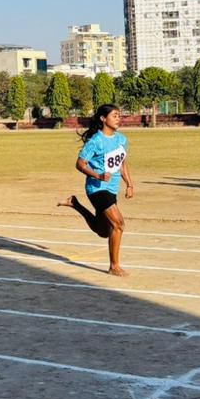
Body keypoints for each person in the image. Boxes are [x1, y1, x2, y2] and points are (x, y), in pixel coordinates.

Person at [59, 103, 134, 276]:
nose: (118, 118)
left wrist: (129, 184)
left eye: (119, 115)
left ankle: (75, 204)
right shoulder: (96, 141)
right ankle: (114, 266)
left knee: (103, 231)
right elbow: (80, 164)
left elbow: (123, 164)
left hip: (112, 188)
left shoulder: (122, 140)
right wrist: (97, 176)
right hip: (97, 189)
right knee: (118, 224)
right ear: (103, 118)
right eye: (114, 115)